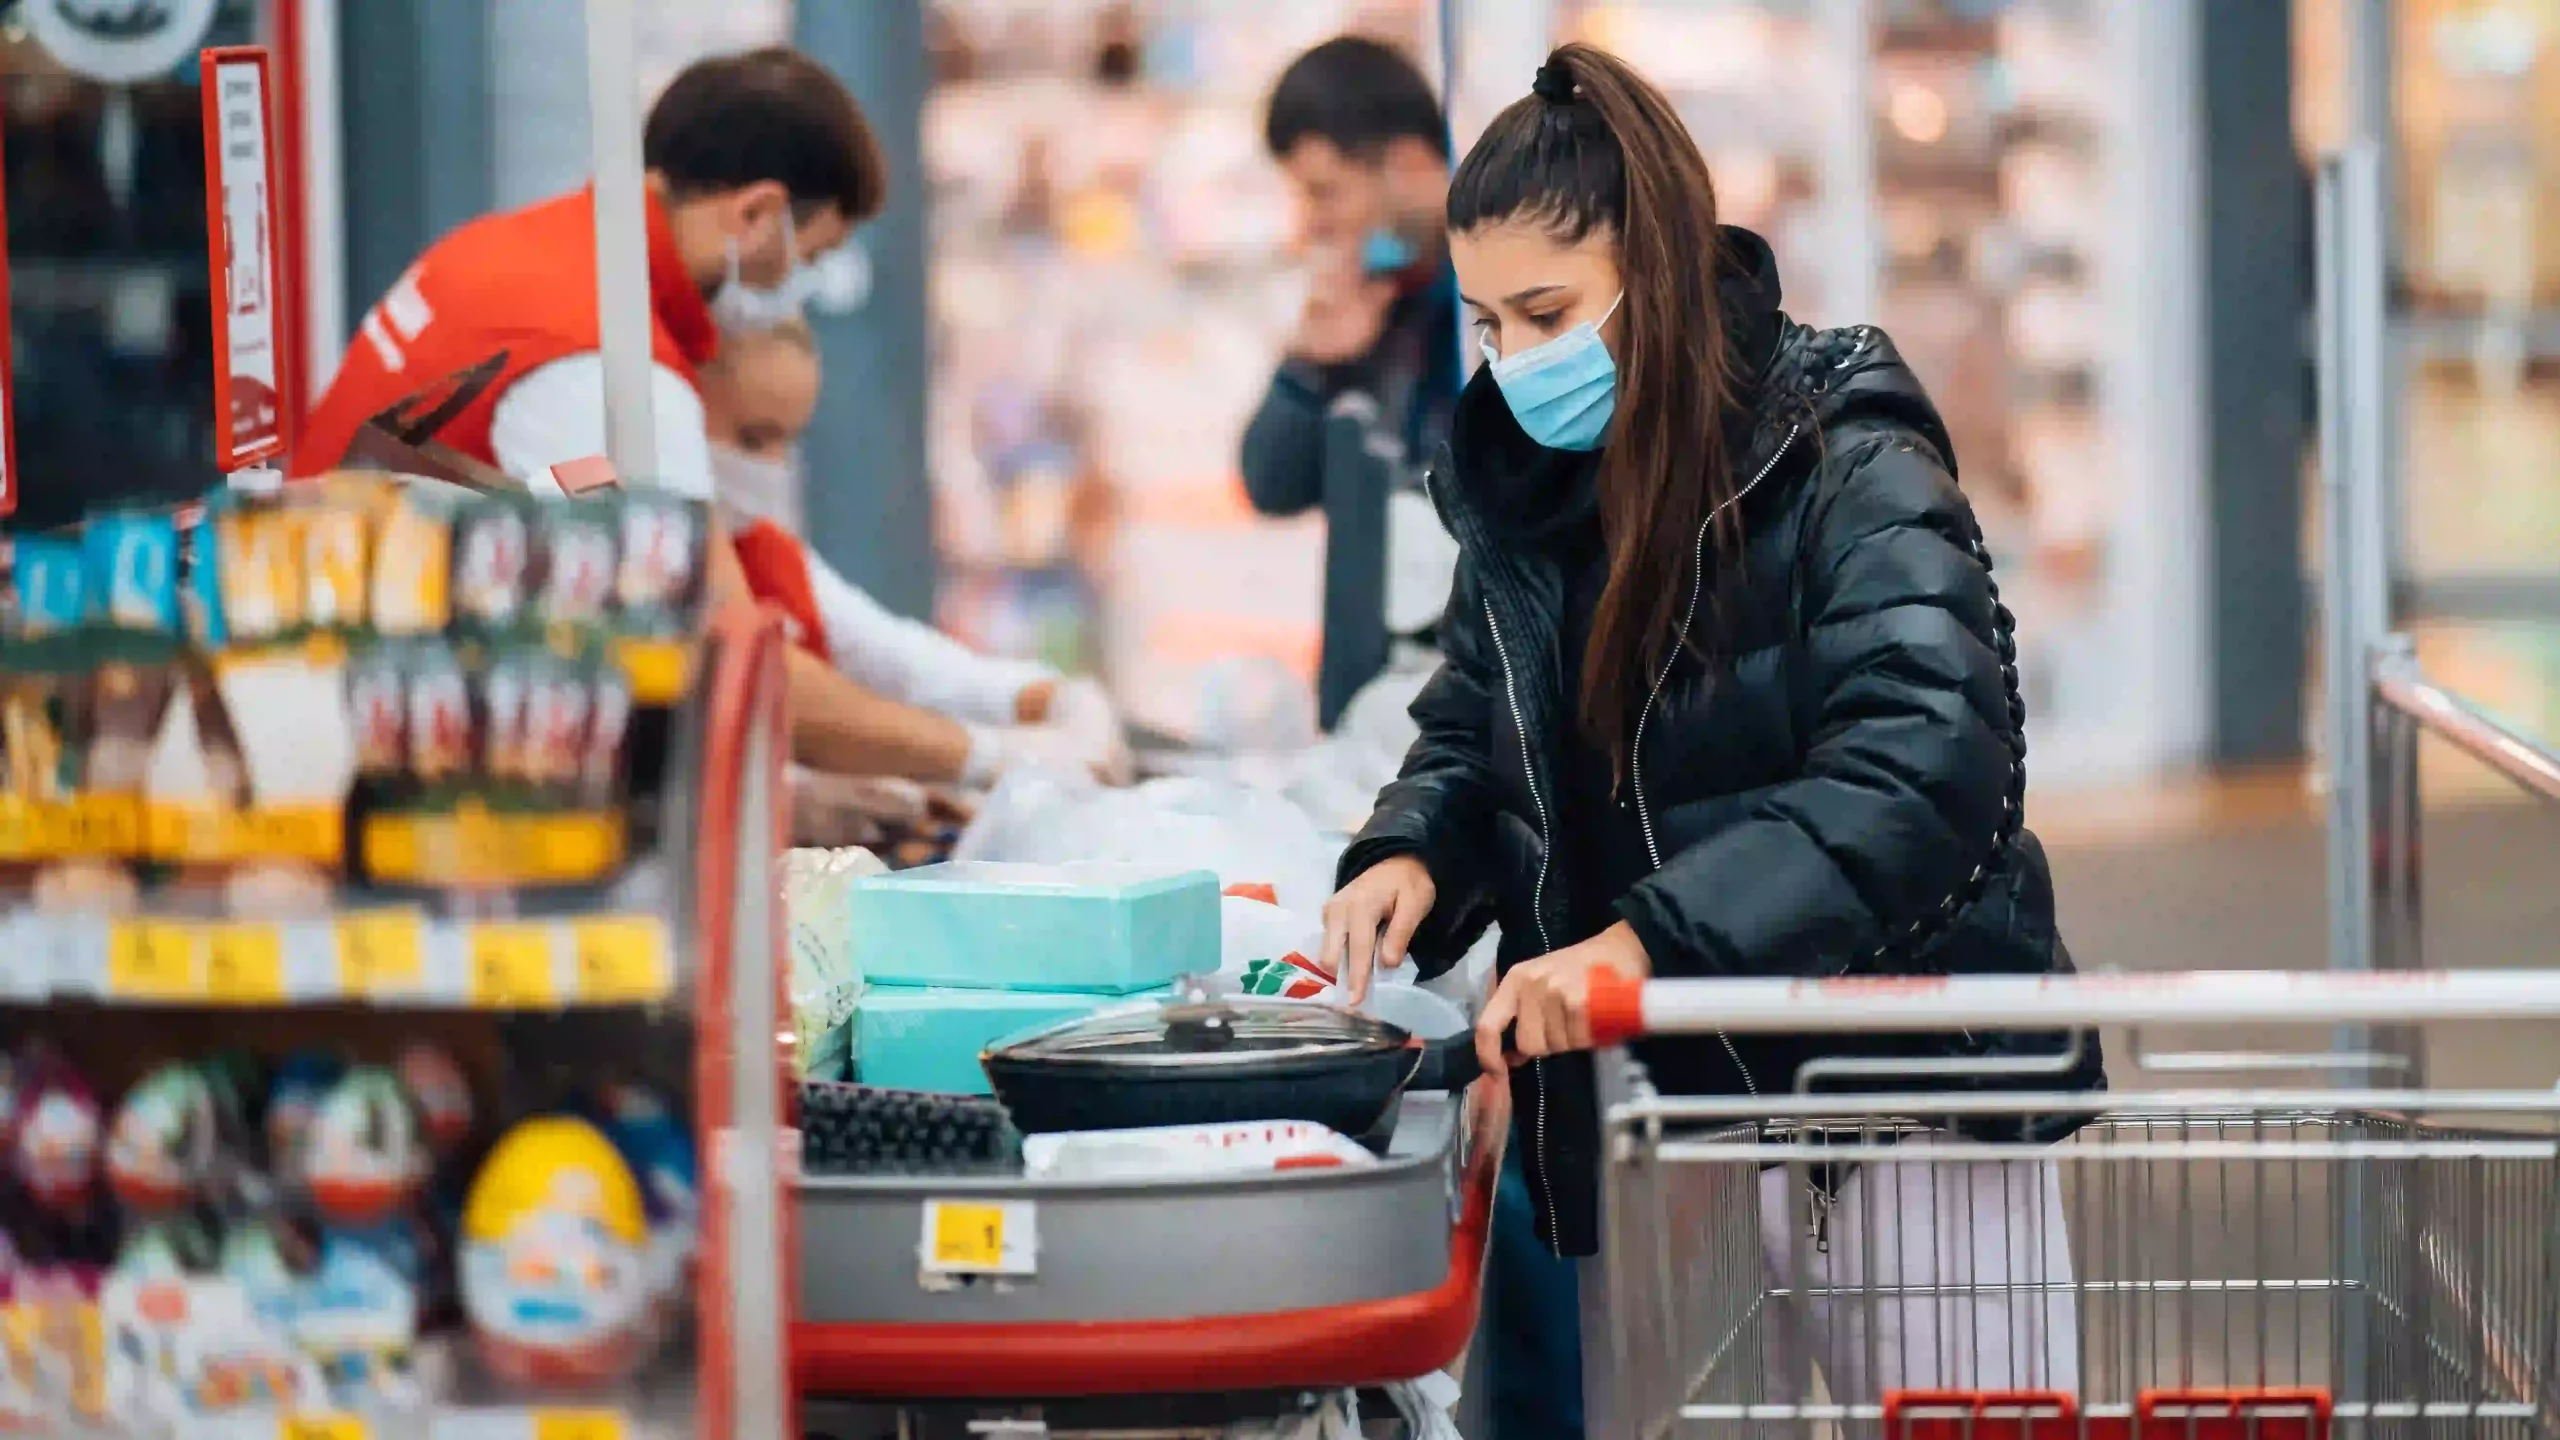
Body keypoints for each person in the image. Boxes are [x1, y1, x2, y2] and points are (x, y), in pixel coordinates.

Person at [1317, 45, 2105, 1432]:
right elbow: (1473, 717)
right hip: (1668, 1113)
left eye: (1549, 311)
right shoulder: (1525, 487)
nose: (1516, 361)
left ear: (1661, 270)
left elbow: (1928, 763)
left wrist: (1649, 943)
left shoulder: (1846, 447)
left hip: (1898, 1107)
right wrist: (1417, 848)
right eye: (1491, 323)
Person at [295, 48, 1030, 790]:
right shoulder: (603, 359)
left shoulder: (531, 254)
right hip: (346, 742)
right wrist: (994, 758)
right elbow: (723, 656)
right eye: (810, 257)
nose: (801, 288)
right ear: (755, 213)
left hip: (352, 679)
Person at [696, 318, 1128, 786]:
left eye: (789, 440)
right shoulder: (678, 558)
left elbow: (902, 661)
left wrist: (1050, 698)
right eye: (753, 439)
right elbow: (779, 688)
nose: (773, 464)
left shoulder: (770, 554)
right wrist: (992, 755)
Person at [1245, 36, 1463, 730]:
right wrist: (1310, 366)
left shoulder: (1490, 311)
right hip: (1365, 719)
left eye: (1325, 191)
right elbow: (1270, 484)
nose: (1312, 221)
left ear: (1409, 165)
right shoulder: (1367, 309)